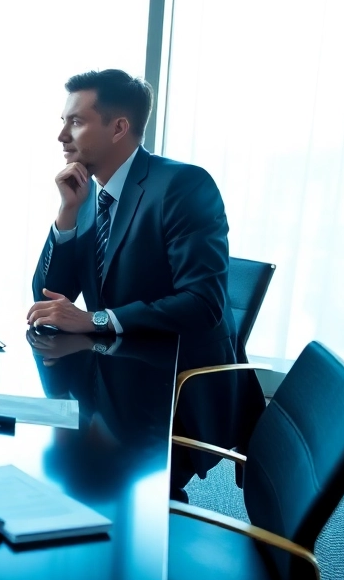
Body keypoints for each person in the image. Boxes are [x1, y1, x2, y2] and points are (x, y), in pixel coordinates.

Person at [26, 69, 264, 494]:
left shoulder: (182, 186)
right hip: (112, 376)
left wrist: (96, 320)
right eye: (63, 121)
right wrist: (66, 214)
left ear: (119, 127)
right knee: (40, 459)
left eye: (75, 121)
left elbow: (204, 302)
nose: (62, 135)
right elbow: (47, 294)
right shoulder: (86, 195)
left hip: (172, 394)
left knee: (87, 487)